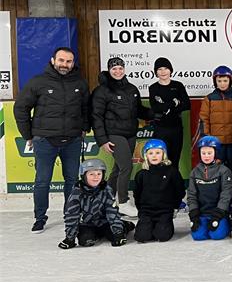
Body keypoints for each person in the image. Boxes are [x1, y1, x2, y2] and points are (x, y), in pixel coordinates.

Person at [14, 47, 90, 233]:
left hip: (72, 140)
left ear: (73, 63)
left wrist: (84, 127)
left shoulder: (80, 82)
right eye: (62, 60)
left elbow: (86, 108)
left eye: (69, 61)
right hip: (45, 140)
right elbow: (21, 108)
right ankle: (40, 218)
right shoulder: (38, 82)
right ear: (53, 60)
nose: (65, 64)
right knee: (42, 181)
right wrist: (28, 135)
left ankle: (70, 215)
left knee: (72, 180)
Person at [91, 57, 152, 218]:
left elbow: (139, 110)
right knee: (126, 167)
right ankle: (123, 202)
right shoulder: (102, 90)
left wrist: (156, 113)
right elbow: (96, 116)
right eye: (114, 69)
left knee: (118, 169)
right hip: (114, 134)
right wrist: (102, 140)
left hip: (130, 133)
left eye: (120, 68)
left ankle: (107, 199)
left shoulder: (131, 89)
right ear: (109, 70)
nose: (117, 71)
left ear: (124, 69)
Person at [57, 159, 135, 249]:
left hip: (106, 222)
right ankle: (95, 234)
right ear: (84, 176)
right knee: (85, 241)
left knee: (115, 237)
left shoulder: (106, 190)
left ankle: (125, 225)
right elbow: (72, 216)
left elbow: (112, 211)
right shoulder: (76, 193)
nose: (96, 177)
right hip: (88, 224)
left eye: (99, 174)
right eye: (91, 174)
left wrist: (118, 233)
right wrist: (69, 238)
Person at [133, 139, 185, 243]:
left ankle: (165, 224)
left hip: (165, 211)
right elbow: (137, 194)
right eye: (151, 153)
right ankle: (142, 225)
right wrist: (141, 211)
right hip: (146, 212)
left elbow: (180, 191)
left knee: (162, 236)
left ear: (163, 154)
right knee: (141, 237)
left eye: (158, 153)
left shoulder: (172, 172)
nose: (154, 156)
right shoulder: (141, 174)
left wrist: (175, 206)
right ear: (146, 155)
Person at [187, 136, 232, 241]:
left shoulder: (224, 171)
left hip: (218, 212)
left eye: (209, 153)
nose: (206, 156)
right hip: (202, 213)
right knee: (198, 236)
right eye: (203, 153)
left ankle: (225, 223)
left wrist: (219, 213)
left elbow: (226, 194)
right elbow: (191, 194)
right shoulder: (195, 172)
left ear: (216, 153)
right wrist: (194, 213)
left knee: (216, 235)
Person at [199, 65, 232, 174]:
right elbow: (204, 119)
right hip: (217, 143)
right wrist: (207, 139)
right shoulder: (209, 98)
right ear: (215, 81)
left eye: (225, 80)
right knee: (216, 169)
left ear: (230, 81)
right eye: (219, 81)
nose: (222, 83)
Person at [149, 57, 190, 168]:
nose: (163, 72)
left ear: (171, 70)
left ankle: (174, 184)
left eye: (166, 68)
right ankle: (162, 184)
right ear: (156, 72)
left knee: (175, 159)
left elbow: (187, 105)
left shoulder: (178, 86)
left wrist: (167, 109)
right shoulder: (153, 88)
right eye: (160, 69)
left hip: (176, 128)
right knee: (161, 159)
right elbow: (156, 108)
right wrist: (174, 102)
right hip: (160, 129)